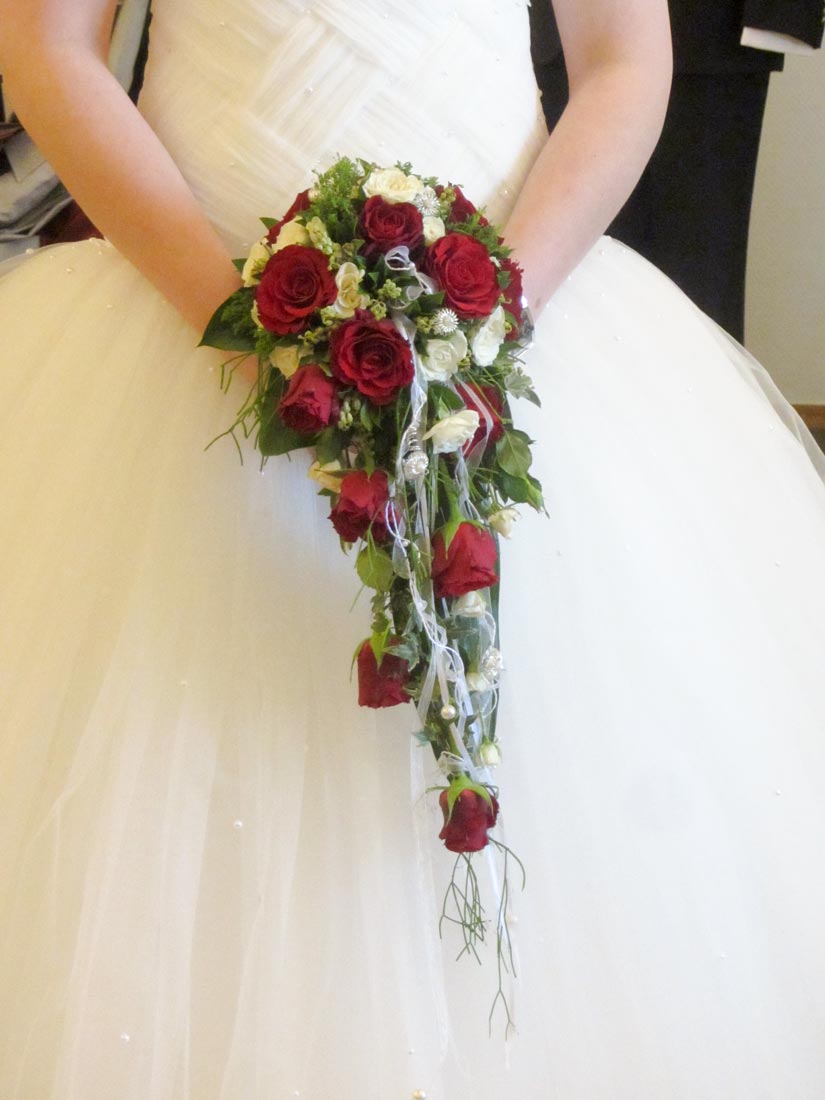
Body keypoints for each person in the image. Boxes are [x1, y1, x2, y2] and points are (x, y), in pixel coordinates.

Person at [1, 1, 825, 1097]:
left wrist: (486, 325)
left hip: (513, 316)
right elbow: (47, 45)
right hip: (182, 310)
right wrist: (242, 331)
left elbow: (626, 61)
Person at [529, 0, 825, 341]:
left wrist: (782, 15)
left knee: (696, 288)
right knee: (569, 297)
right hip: (559, 37)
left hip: (710, 34)